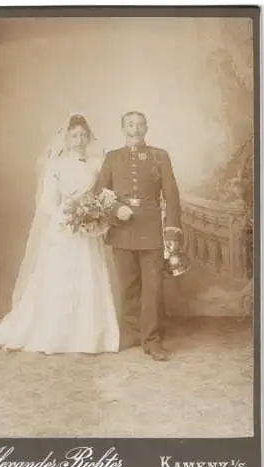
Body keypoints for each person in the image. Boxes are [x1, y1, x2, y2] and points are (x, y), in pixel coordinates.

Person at [0, 113, 120, 354]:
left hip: (89, 230)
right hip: (64, 229)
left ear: (89, 138)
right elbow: (47, 202)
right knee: (58, 279)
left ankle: (89, 337)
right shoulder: (56, 165)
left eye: (83, 135)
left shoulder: (96, 164)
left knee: (89, 275)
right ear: (66, 139)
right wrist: (70, 216)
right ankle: (55, 335)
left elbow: (104, 193)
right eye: (74, 135)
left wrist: (93, 215)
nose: (79, 140)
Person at [94, 111, 183, 361]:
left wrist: (171, 231)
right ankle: (131, 334)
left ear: (147, 128)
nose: (135, 129)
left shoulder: (159, 156)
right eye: (130, 125)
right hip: (121, 229)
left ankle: (152, 340)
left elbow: (172, 195)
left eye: (140, 124)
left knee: (152, 288)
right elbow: (99, 191)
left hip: (152, 230)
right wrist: (114, 209)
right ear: (123, 129)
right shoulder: (112, 157)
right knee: (127, 285)